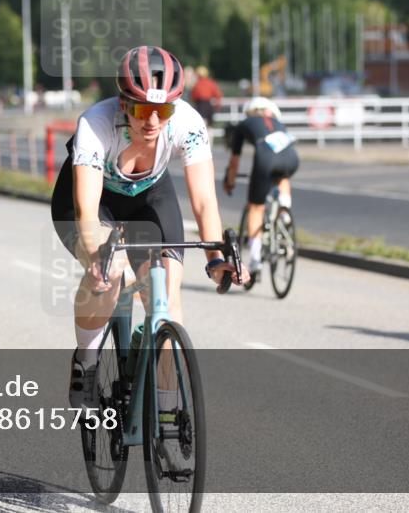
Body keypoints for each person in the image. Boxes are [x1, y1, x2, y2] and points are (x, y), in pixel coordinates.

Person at [50, 45, 249, 409]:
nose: (153, 121)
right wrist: (96, 255)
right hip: (94, 201)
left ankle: (167, 413)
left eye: (164, 110)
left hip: (148, 197)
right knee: (111, 273)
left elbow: (204, 202)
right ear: (124, 104)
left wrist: (217, 258)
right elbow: (86, 208)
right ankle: (87, 361)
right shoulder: (96, 124)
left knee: (167, 301)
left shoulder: (188, 123)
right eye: (143, 110)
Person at [222, 97, 300, 285]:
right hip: (292, 158)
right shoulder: (279, 123)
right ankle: (284, 215)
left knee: (256, 207)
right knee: (282, 176)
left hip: (266, 160)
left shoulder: (245, 123)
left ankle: (255, 260)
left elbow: (234, 161)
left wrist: (230, 181)